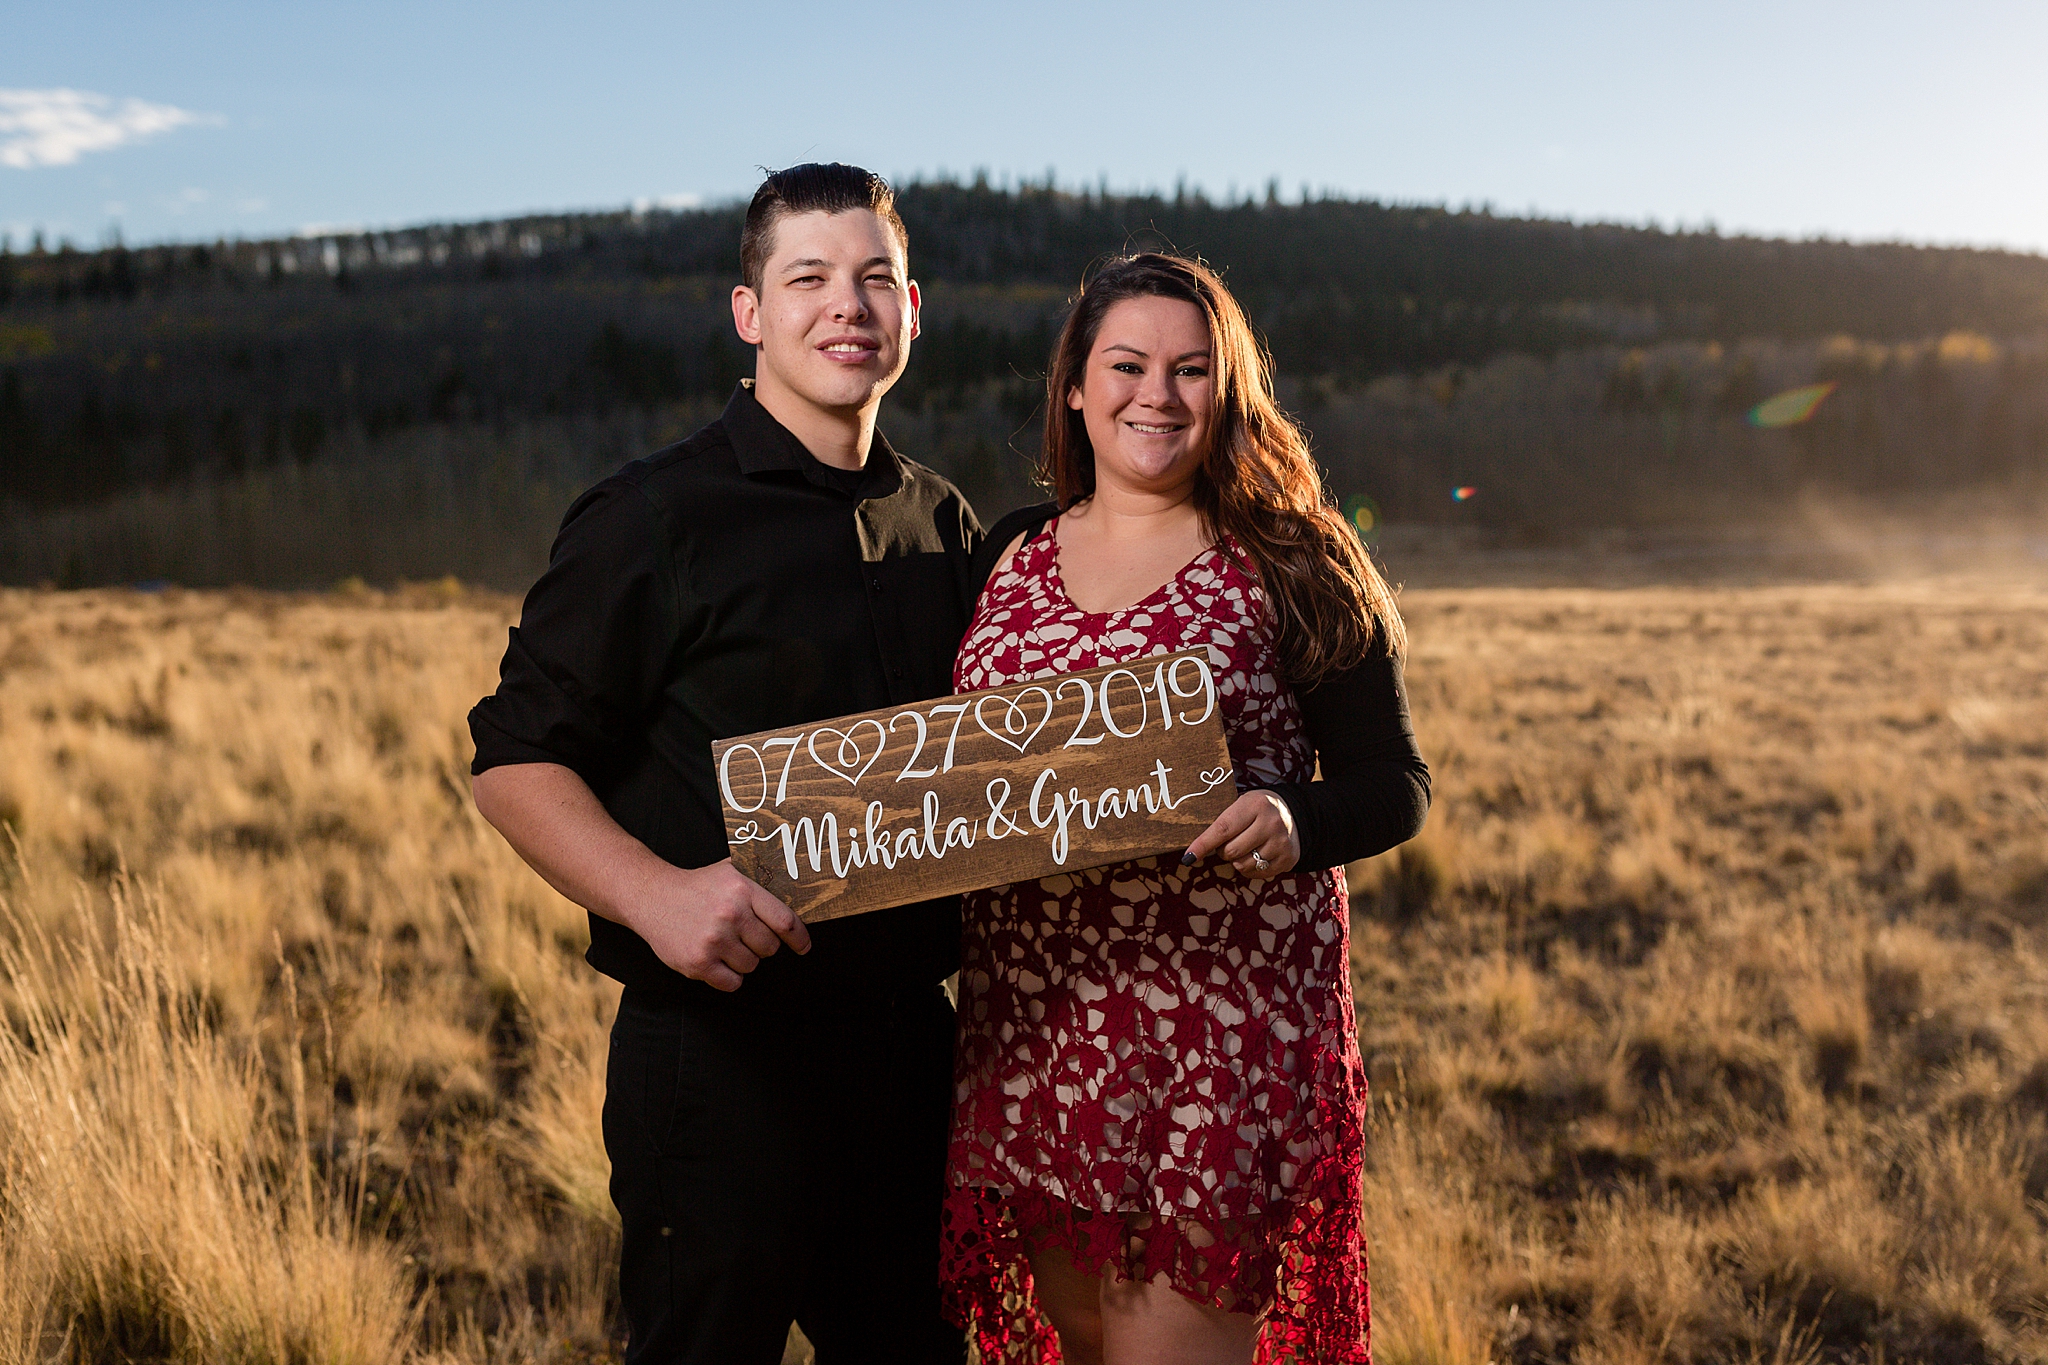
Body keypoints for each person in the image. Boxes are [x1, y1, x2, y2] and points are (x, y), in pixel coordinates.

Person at [469, 164, 979, 1365]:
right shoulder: (651, 514)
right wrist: (657, 897)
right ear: (748, 313)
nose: (845, 305)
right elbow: (511, 760)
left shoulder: (941, 522)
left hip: (913, 1060)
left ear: (916, 308)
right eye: (807, 278)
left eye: (874, 279)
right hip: (718, 1063)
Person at [939, 254, 1430, 1365]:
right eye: (1125, 364)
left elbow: (1393, 783)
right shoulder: (1005, 554)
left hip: (1214, 1043)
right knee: (1078, 1344)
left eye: (1189, 369)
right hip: (1032, 1036)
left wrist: (1297, 821)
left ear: (1228, 391)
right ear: (1073, 385)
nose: (1154, 395)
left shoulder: (1293, 558)